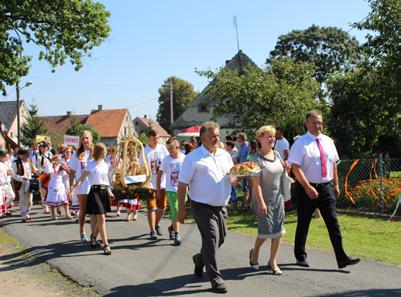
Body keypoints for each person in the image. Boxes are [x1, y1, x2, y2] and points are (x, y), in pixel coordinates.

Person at [288, 110, 360, 269]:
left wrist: (336, 184)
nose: (318, 125)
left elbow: (333, 163)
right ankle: (300, 256)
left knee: (333, 222)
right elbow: (295, 168)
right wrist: (307, 187)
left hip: (326, 187)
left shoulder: (328, 141)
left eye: (320, 122)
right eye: (314, 122)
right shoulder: (301, 143)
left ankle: (342, 258)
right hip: (307, 187)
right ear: (306, 123)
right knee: (304, 222)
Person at [177, 121, 235, 294]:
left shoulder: (225, 155)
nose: (216, 139)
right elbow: (182, 186)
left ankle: (200, 259)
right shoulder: (193, 158)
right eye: (212, 136)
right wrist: (181, 210)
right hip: (201, 205)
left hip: (221, 205)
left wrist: (236, 179)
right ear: (203, 138)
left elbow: (231, 175)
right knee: (211, 239)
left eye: (218, 135)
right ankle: (216, 279)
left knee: (219, 240)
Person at [249, 126, 286, 275]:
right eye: (269, 136)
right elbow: (255, 184)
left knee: (278, 232)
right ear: (260, 138)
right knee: (265, 231)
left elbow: (281, 173)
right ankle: (255, 252)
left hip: (278, 198)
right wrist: (261, 203)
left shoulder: (277, 154)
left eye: (274, 136)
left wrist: (287, 167)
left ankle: (273, 261)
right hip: (263, 200)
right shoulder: (255, 158)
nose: (272, 139)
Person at [70, 143, 114, 255]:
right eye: (103, 152)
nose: (105, 154)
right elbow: (81, 178)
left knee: (102, 219)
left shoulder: (105, 164)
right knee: (102, 218)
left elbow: (105, 180)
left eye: (105, 152)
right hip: (94, 192)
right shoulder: (91, 164)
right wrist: (73, 189)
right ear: (98, 152)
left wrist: (109, 191)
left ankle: (94, 236)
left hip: (104, 192)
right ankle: (106, 245)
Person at [157, 137, 185, 246]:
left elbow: (189, 174)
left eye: (171, 149)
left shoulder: (184, 158)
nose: (169, 151)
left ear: (177, 147)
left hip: (182, 189)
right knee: (176, 210)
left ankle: (172, 227)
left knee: (180, 211)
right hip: (171, 189)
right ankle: (177, 234)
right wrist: (159, 190)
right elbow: (159, 175)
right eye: (168, 149)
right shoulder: (166, 160)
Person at [140, 129, 169, 240]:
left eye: (157, 138)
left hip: (162, 182)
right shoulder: (145, 151)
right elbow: (141, 167)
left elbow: (168, 161)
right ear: (149, 139)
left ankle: (156, 224)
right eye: (153, 138)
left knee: (162, 208)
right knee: (151, 207)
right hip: (150, 184)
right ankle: (152, 230)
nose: (156, 140)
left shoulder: (162, 149)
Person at [69, 130, 93, 241]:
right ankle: (82, 232)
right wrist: (71, 187)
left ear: (91, 138)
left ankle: (94, 234)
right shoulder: (77, 154)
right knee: (83, 210)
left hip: (93, 184)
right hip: (82, 186)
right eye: (83, 138)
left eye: (87, 138)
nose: (85, 140)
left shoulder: (95, 152)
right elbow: (72, 172)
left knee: (94, 211)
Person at [11, 149, 37, 222]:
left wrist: (40, 169)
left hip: (29, 182)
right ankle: (23, 215)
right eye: (26, 156)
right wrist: (21, 178)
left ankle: (27, 212)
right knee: (23, 199)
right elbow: (13, 174)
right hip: (20, 183)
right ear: (21, 155)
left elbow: (34, 170)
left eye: (28, 156)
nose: (27, 157)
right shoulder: (15, 162)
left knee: (30, 201)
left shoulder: (29, 161)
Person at [44, 155, 72, 220]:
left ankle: (67, 214)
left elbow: (67, 174)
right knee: (52, 200)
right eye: (57, 159)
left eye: (59, 160)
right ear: (54, 160)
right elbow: (49, 172)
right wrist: (56, 167)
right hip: (52, 184)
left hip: (60, 184)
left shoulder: (62, 166)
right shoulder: (49, 165)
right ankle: (53, 215)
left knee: (65, 200)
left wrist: (65, 169)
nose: (59, 161)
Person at [32, 141, 53, 214]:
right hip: (42, 175)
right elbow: (33, 165)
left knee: (50, 191)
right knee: (43, 191)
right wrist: (37, 170)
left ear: (47, 147)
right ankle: (46, 207)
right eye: (41, 147)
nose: (43, 148)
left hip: (51, 174)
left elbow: (52, 163)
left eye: (45, 147)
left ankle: (48, 204)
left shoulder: (50, 154)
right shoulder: (36, 155)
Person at [237, 132, 250, 209]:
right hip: (241, 168)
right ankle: (245, 203)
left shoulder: (247, 146)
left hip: (246, 169)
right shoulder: (241, 146)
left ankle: (246, 204)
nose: (237, 139)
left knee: (246, 186)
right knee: (244, 187)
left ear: (241, 138)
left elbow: (249, 157)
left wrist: (246, 165)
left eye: (238, 138)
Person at [224, 140, 239, 210]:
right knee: (230, 190)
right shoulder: (226, 153)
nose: (225, 146)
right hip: (228, 173)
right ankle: (231, 205)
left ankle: (234, 206)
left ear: (229, 146)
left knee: (233, 190)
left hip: (233, 173)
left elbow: (234, 163)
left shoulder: (234, 152)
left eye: (226, 145)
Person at [0, 151, 15, 215]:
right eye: (5, 157)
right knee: (0, 200)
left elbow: (10, 172)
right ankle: (2, 211)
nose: (7, 158)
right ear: (1, 157)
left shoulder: (7, 163)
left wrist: (10, 172)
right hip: (1, 184)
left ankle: (4, 208)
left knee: (12, 196)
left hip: (7, 183)